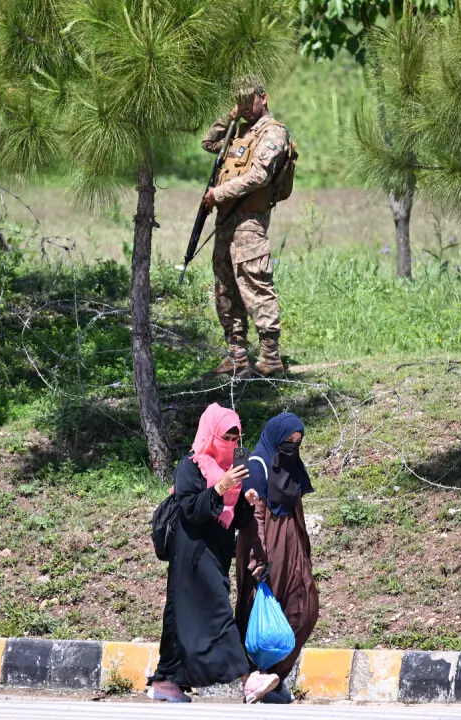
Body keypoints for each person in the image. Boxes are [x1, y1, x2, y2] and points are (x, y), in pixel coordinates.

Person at [148, 403, 280, 704]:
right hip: (192, 550)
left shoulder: (229, 471)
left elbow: (235, 521)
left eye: (236, 439)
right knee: (218, 611)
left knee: (178, 614)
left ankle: (166, 679)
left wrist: (245, 501)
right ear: (210, 435)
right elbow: (190, 509)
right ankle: (248, 679)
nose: (232, 445)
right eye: (226, 438)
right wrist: (220, 488)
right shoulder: (192, 466)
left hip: (216, 552)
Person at [201, 76, 291, 378]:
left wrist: (218, 194)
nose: (245, 109)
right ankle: (237, 356)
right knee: (225, 289)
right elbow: (209, 143)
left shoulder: (273, 133)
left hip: (250, 225)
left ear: (263, 98)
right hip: (225, 222)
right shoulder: (238, 131)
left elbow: (258, 177)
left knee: (255, 287)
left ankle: (270, 358)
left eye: (248, 103)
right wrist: (229, 116)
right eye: (239, 103)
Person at [235, 412, 319, 705]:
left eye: (297, 443)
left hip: (292, 545)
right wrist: (257, 559)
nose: (292, 448)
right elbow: (255, 514)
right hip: (264, 546)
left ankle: (273, 677)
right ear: (275, 439)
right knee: (257, 612)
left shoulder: (292, 467)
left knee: (304, 607)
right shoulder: (258, 465)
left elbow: (296, 508)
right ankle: (257, 677)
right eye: (287, 442)